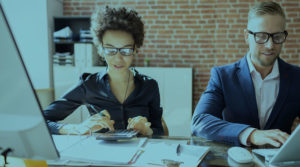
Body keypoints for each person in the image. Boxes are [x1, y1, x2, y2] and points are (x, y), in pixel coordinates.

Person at [192, 1, 300, 147]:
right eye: (261, 36)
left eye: (277, 36)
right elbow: (200, 121)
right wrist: (251, 134)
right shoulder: (223, 76)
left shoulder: (296, 77)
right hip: (233, 160)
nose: (270, 45)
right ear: (246, 36)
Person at [44, 6, 164, 136]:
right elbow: (43, 120)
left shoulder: (150, 86)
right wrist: (78, 128)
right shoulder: (88, 85)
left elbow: (160, 132)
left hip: (139, 153)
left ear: (135, 49)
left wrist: (148, 131)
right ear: (101, 49)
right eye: (110, 50)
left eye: (126, 50)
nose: (118, 58)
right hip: (101, 155)